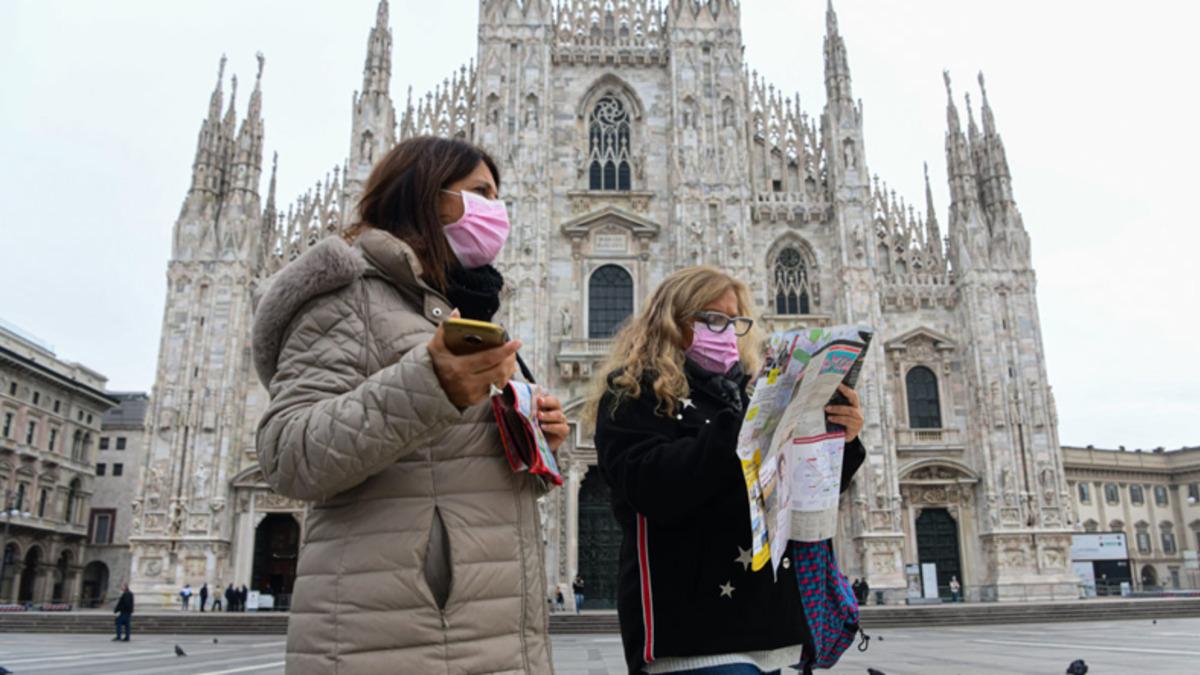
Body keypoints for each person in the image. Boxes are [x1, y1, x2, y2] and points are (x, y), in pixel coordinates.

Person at [252, 136, 569, 674]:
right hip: (392, 637)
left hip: (490, 633)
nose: (497, 211)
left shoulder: (461, 309)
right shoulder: (350, 295)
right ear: (427, 195)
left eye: (499, 197)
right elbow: (286, 453)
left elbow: (442, 467)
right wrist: (432, 386)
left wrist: (531, 442)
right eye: (481, 194)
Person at [590, 266, 866, 675]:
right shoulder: (632, 393)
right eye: (713, 319)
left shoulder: (745, 391)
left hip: (767, 626)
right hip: (692, 632)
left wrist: (838, 441)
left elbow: (792, 493)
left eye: (735, 321)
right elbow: (651, 486)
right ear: (673, 321)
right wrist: (748, 420)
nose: (727, 331)